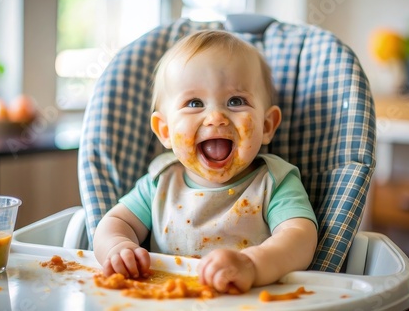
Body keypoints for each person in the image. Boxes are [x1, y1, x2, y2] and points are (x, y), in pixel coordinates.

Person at [93, 30, 318, 294]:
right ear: (165, 131)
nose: (215, 117)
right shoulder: (160, 183)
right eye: (194, 102)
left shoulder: (273, 182)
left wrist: (252, 265)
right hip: (165, 300)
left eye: (236, 101)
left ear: (267, 125)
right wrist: (118, 247)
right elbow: (115, 223)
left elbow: (300, 238)